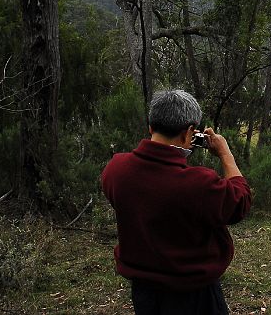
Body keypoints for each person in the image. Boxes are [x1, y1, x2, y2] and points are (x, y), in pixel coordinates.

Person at [101, 89, 251, 315]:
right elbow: (240, 201)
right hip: (194, 295)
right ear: (189, 132)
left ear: (151, 127)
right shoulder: (197, 183)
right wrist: (225, 154)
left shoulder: (115, 169)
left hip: (144, 293)